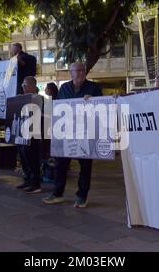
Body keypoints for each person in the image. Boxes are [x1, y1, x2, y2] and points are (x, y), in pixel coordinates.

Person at [42, 62, 102, 208]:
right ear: (71, 73)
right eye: (76, 71)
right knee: (61, 164)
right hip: (66, 132)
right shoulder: (64, 88)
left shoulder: (94, 88)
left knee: (85, 166)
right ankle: (58, 193)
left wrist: (93, 101)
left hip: (86, 133)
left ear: (85, 72)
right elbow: (59, 108)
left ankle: (82, 196)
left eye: (82, 70)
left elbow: (102, 108)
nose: (80, 73)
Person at [15, 76, 43, 194]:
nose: (23, 87)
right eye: (22, 85)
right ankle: (27, 180)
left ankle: (35, 183)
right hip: (23, 132)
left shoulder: (38, 98)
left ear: (32, 86)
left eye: (25, 85)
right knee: (23, 157)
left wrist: (21, 100)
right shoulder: (25, 97)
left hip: (33, 134)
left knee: (32, 159)